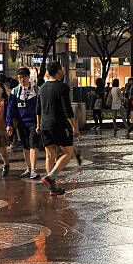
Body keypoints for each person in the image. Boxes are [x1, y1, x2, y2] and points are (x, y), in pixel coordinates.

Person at [36, 61, 80, 196]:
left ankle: (53, 187)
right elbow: (67, 109)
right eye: (61, 68)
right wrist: (74, 126)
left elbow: (38, 109)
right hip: (58, 124)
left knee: (50, 155)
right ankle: (50, 177)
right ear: (58, 71)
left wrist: (38, 125)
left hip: (44, 125)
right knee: (68, 152)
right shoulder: (62, 87)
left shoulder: (42, 87)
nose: (63, 70)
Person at [6, 68, 42, 179]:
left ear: (28, 77)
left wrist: (40, 123)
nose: (22, 79)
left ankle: (33, 170)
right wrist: (9, 123)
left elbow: (41, 106)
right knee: (25, 146)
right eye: (20, 78)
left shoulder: (36, 89)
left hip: (34, 122)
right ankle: (28, 168)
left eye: (24, 77)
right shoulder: (15, 91)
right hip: (21, 123)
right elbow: (10, 108)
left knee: (33, 145)